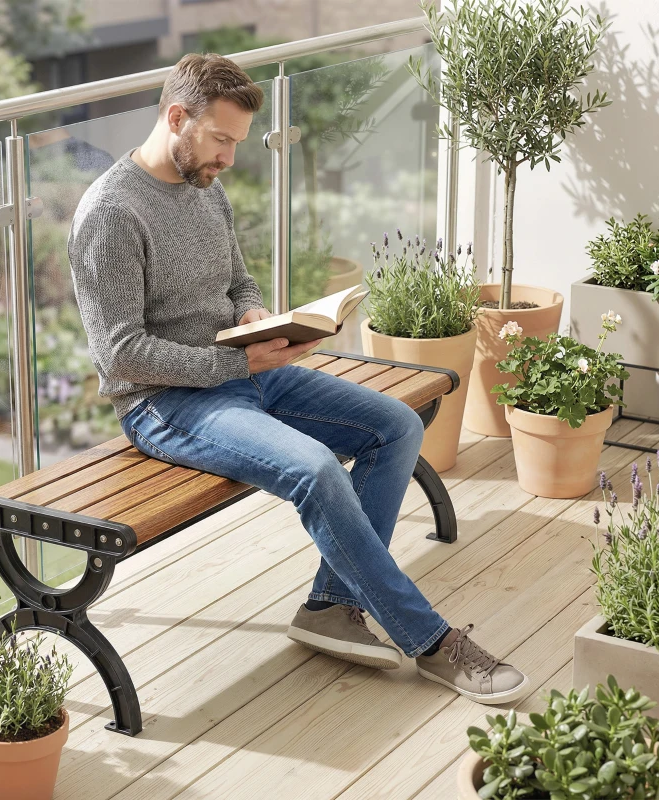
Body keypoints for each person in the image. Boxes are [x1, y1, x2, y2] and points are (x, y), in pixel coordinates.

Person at [67, 52, 530, 705]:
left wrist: (255, 314)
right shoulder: (110, 214)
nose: (229, 156)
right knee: (314, 468)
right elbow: (118, 354)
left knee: (394, 426)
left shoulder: (205, 184)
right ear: (178, 118)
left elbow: (236, 281)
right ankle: (431, 641)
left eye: (236, 142)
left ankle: (329, 606)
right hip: (166, 404)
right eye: (221, 138)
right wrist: (234, 362)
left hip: (246, 371)